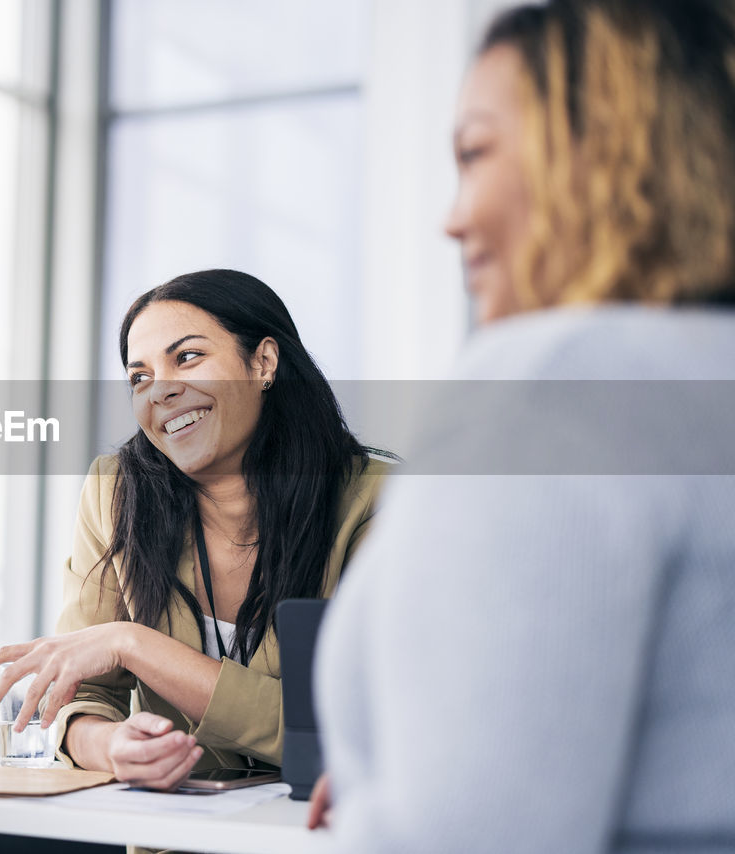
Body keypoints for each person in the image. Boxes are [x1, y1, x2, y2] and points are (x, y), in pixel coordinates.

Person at [310, 1, 735, 850]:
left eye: (474, 154)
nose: (452, 217)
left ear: (601, 151)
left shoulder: (552, 388)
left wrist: (389, 804)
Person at [0, 269, 391, 792]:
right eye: (138, 377)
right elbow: (83, 697)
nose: (161, 390)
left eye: (187, 357)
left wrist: (134, 643)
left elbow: (352, 732)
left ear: (263, 362)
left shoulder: (379, 501)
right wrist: (110, 745)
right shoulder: (115, 491)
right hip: (171, 838)